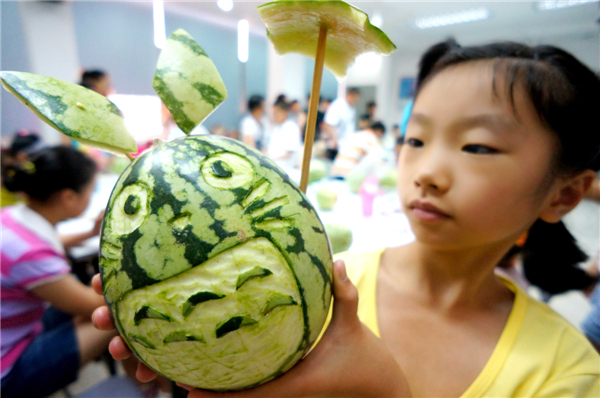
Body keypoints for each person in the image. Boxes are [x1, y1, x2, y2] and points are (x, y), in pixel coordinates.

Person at [92, 39, 600, 398]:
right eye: (415, 139)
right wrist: (192, 370)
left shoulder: (567, 372)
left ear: (566, 193)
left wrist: (384, 392)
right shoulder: (323, 281)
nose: (427, 172)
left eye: (477, 146)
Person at [1, 146, 116, 398]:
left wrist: (88, 233)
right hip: (6, 369)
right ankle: (149, 389)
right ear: (68, 198)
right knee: (115, 317)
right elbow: (93, 305)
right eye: (92, 190)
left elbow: (46, 246)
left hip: (15, 327)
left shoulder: (12, 218)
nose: (92, 195)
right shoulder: (32, 255)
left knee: (85, 308)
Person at [322, 87, 361, 160]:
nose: (355, 101)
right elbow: (328, 125)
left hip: (346, 144)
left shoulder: (352, 108)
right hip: (335, 146)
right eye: (354, 99)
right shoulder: (338, 105)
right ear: (349, 95)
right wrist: (335, 141)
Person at [267, 98, 302, 169]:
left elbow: (290, 152)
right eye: (274, 112)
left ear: (285, 112)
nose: (274, 115)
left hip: (286, 168)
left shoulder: (291, 127)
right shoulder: (276, 127)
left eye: (276, 112)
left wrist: (274, 159)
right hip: (273, 166)